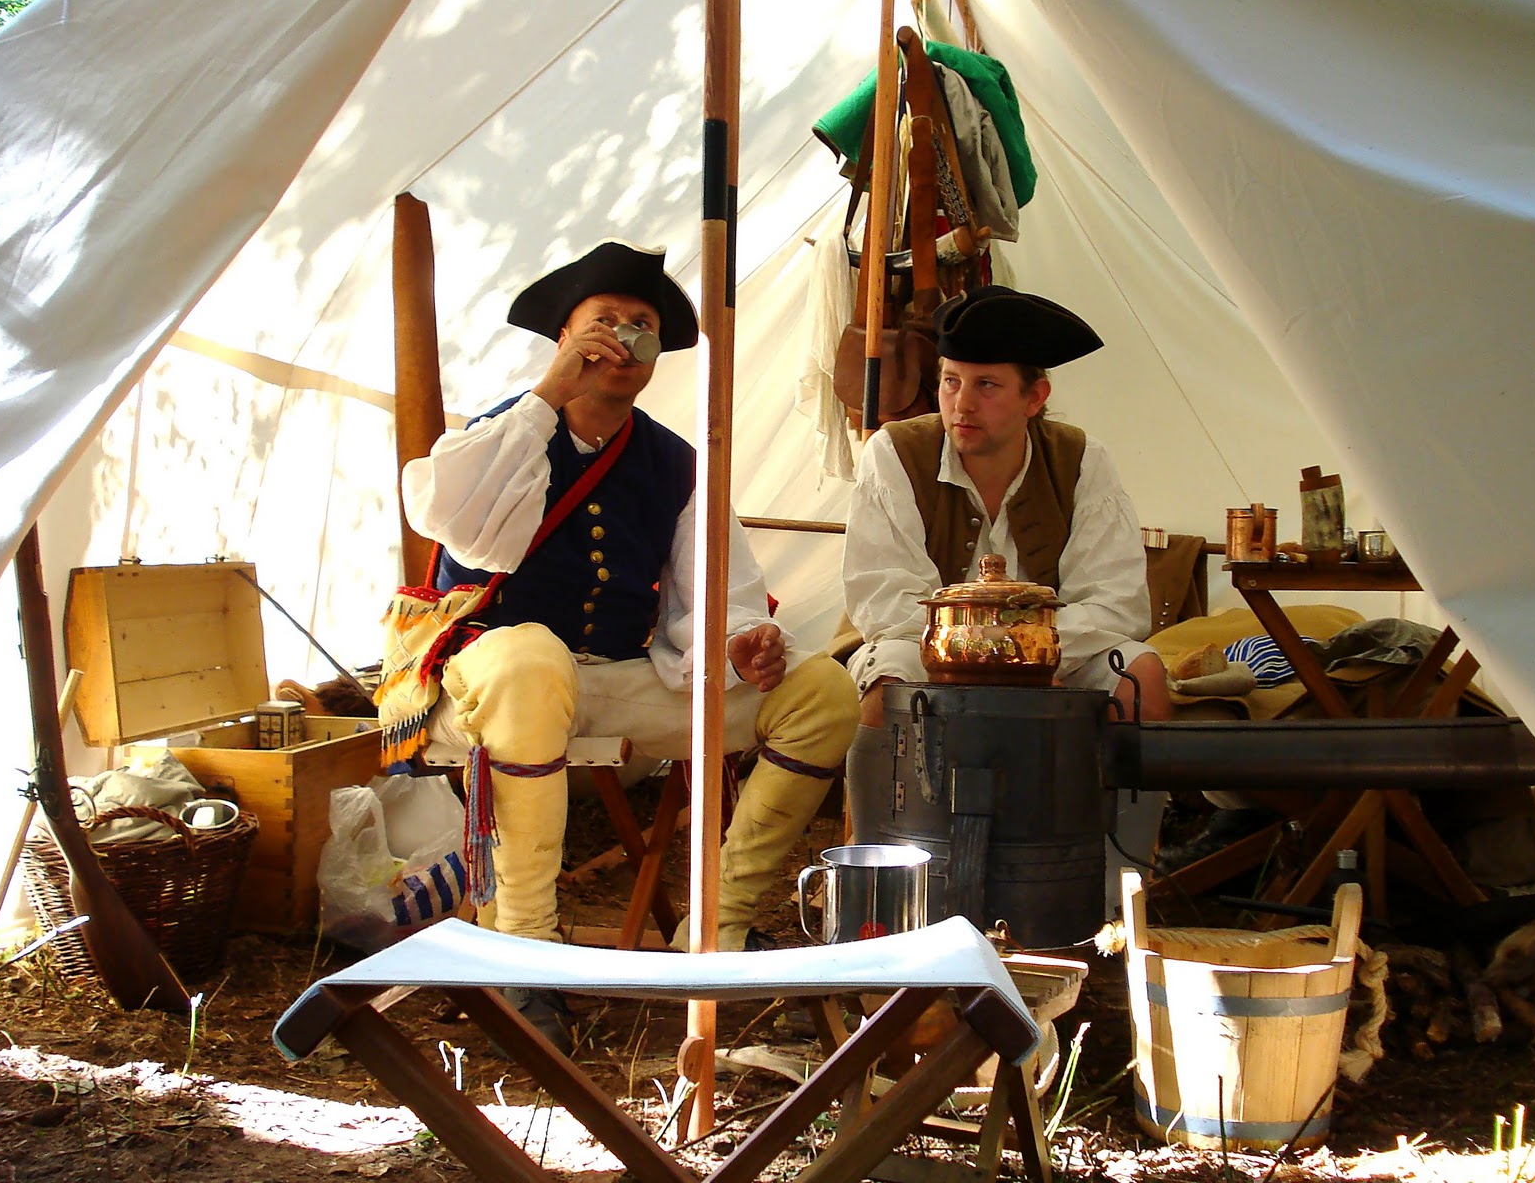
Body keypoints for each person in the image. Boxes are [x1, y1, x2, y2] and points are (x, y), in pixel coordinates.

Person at [393, 241, 859, 1049]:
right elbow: (443, 513)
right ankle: (524, 954)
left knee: (823, 691)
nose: (623, 336)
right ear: (564, 338)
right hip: (485, 684)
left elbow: (715, 590)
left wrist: (740, 643)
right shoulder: (500, 431)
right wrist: (549, 393)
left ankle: (717, 929)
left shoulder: (676, 463)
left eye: (641, 324)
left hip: (606, 681)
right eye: (603, 321)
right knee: (531, 658)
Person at [837, 285, 1170, 913]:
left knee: (1141, 679)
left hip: (1053, 657)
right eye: (950, 381)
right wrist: (983, 658)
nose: (961, 404)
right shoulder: (895, 452)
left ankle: (1111, 903)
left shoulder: (1081, 460)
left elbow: (1116, 601)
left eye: (986, 385)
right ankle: (882, 896)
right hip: (923, 652)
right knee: (888, 688)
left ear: (1034, 397)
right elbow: (884, 598)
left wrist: (1024, 660)